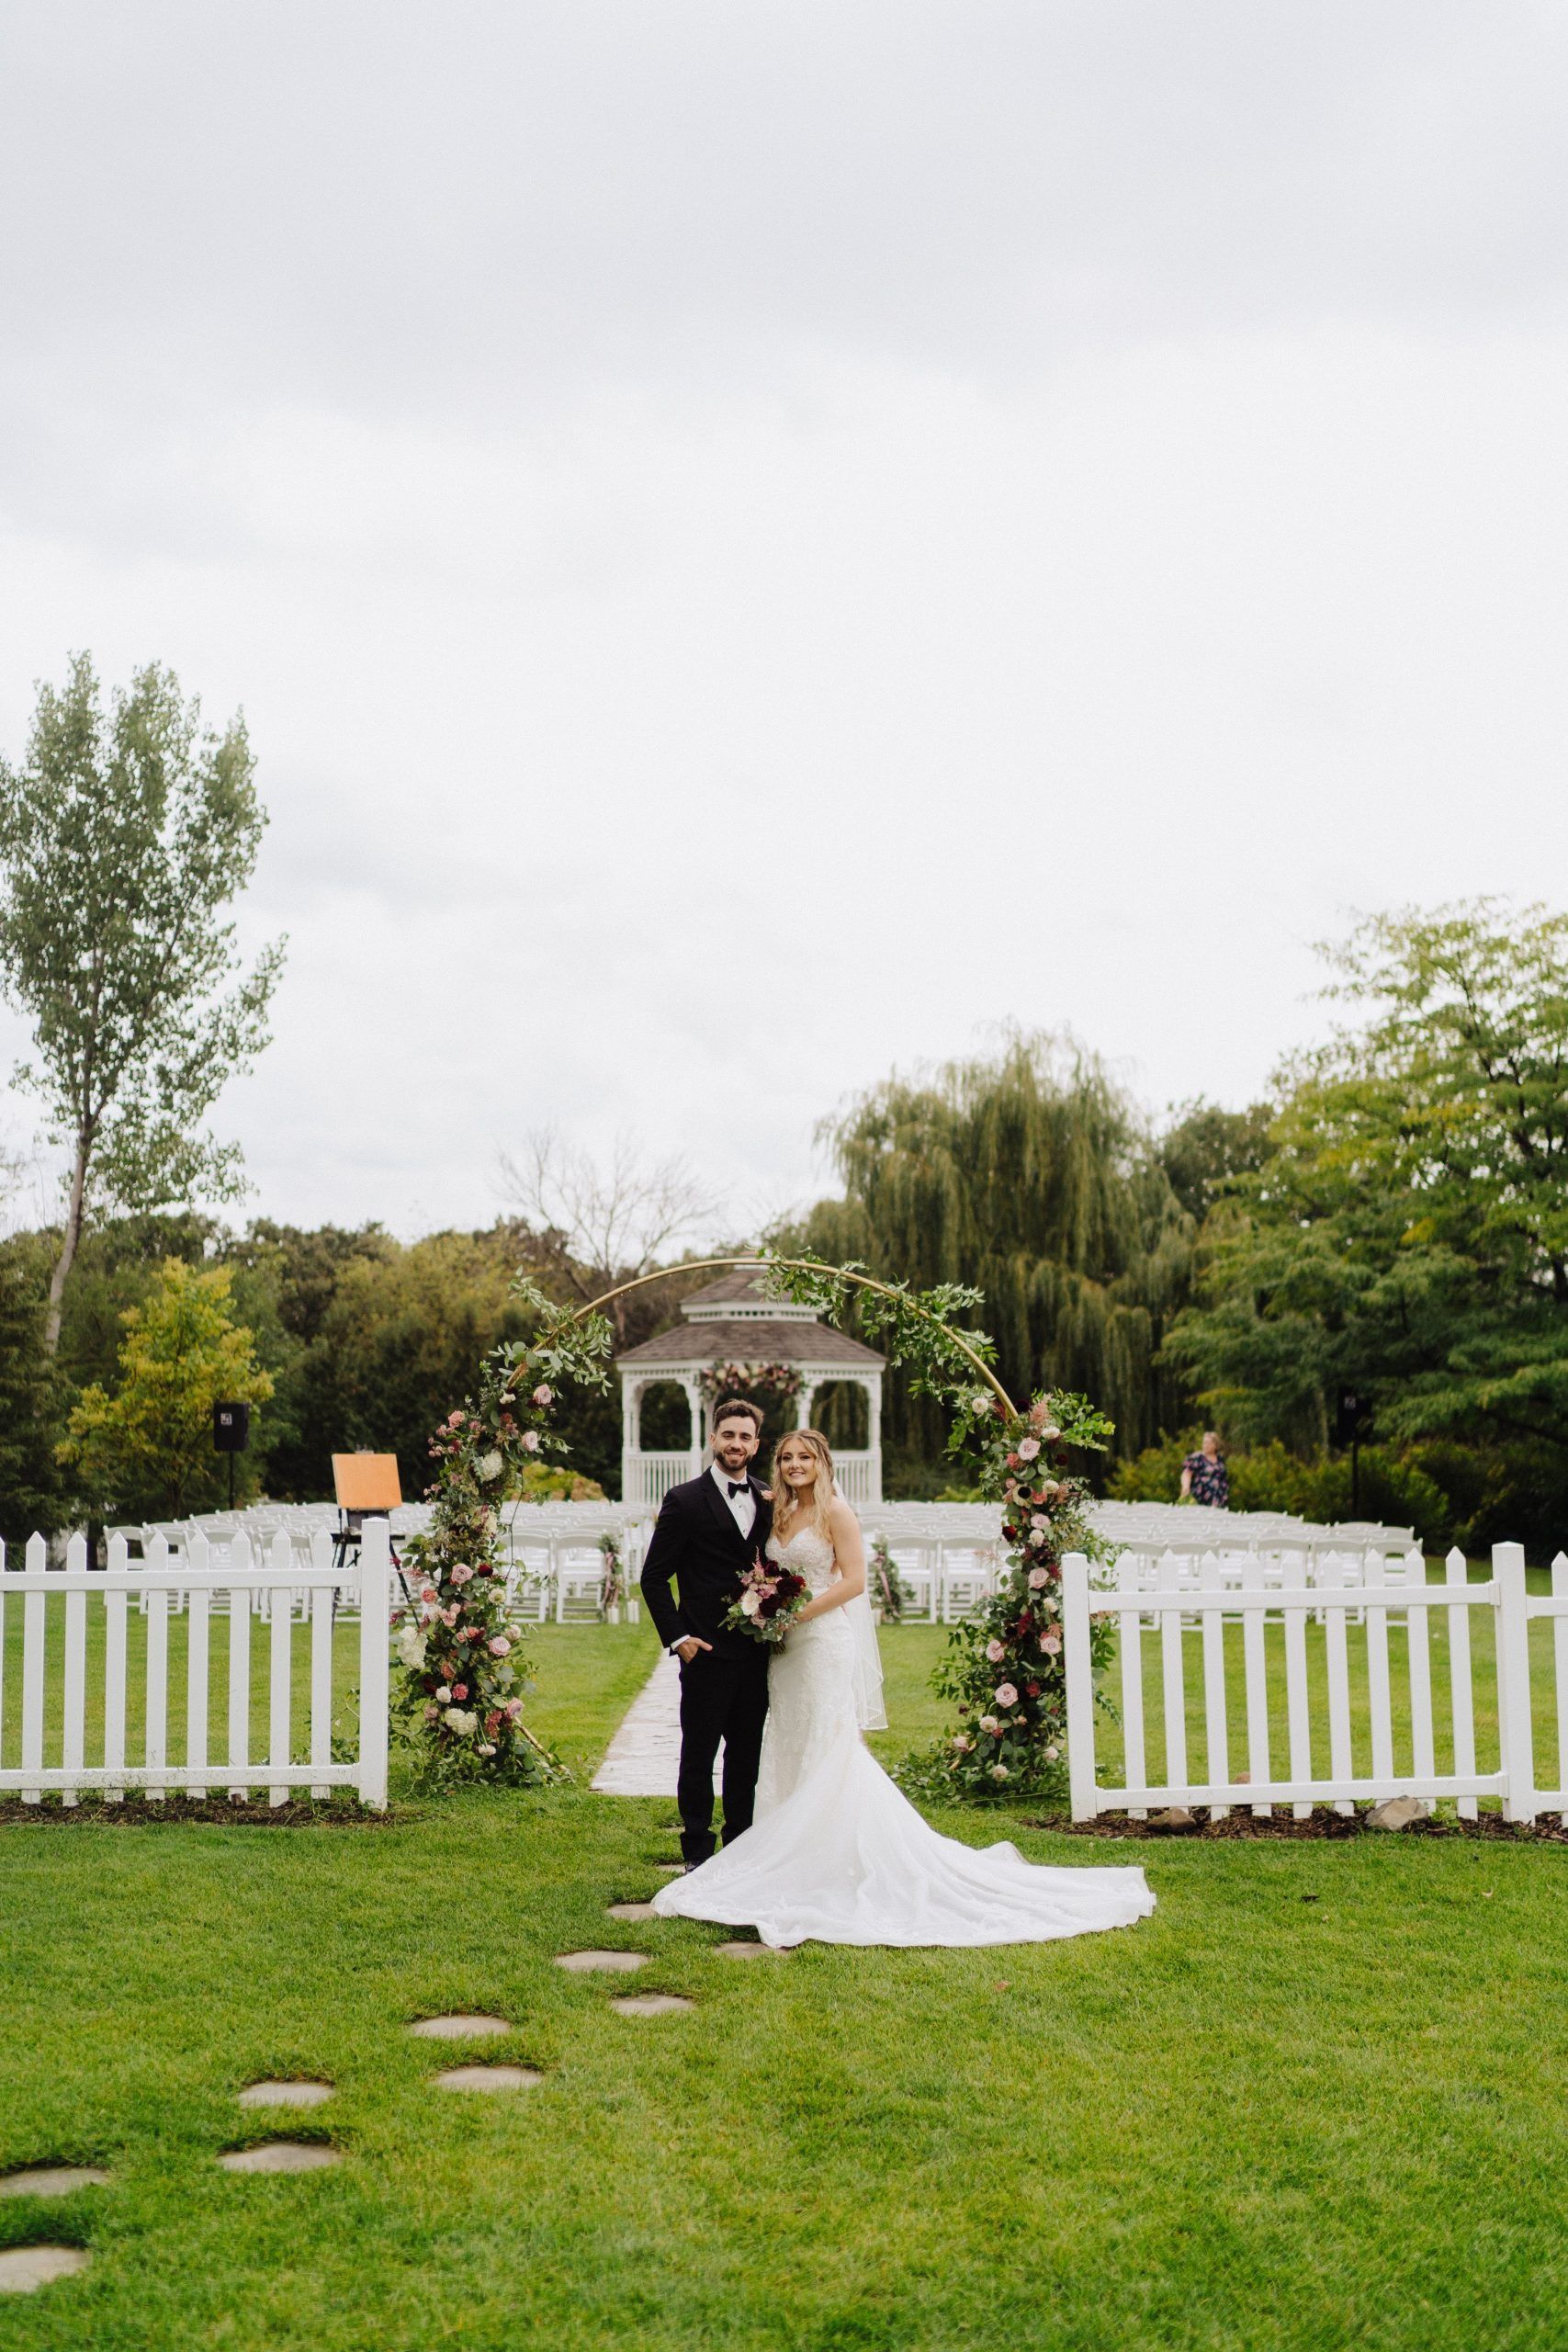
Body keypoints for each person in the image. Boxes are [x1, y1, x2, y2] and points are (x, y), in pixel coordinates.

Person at [653, 1429, 1155, 1949]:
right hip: (783, 1654)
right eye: (786, 1457)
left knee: (829, 1743)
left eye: (805, 1457)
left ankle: (832, 1859)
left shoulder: (836, 1513)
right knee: (789, 1742)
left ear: (823, 1462)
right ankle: (786, 1852)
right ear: (774, 1463)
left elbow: (853, 1581)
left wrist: (794, 1614)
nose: (795, 1464)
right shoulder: (775, 1509)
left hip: (821, 1641)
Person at [638, 1398, 773, 1868]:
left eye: (745, 1437)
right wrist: (681, 1640)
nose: (736, 1443)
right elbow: (653, 1577)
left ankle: (740, 1849)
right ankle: (697, 1850)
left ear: (756, 1445)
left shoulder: (768, 1497)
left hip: (757, 1654)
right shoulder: (683, 1499)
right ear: (713, 1438)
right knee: (698, 1756)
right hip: (706, 1652)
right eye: (728, 1434)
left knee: (746, 1758)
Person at [1180, 1430, 1229, 1510]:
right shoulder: (1197, 1457)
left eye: (1208, 1443)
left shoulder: (1220, 1460)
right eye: (1204, 1443)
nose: (1205, 1445)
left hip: (1219, 1499)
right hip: (1201, 1497)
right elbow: (1187, 1473)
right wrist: (1186, 1487)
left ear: (1215, 1445)